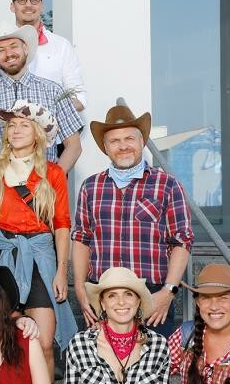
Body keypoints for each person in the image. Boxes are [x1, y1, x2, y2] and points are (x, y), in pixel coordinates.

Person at [74, 105, 192, 336]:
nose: (123, 145)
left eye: (129, 138)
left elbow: (182, 241)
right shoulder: (91, 187)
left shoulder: (167, 185)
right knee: (104, 369)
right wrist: (79, 287)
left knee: (152, 369)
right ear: (105, 147)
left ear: (141, 141)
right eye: (115, 141)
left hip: (152, 295)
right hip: (103, 294)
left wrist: (168, 292)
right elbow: (81, 239)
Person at [0, 100, 74, 368]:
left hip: (40, 258)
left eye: (24, 125)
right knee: (2, 341)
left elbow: (62, 225)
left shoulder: (53, 174)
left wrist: (62, 272)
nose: (16, 130)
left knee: (43, 344)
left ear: (38, 133)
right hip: (3, 256)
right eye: (11, 125)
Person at [0, 22, 85, 173]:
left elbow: (74, 145)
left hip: (44, 187)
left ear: (25, 48)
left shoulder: (53, 91)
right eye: (1, 50)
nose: (9, 53)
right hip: (1, 190)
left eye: (13, 46)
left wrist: (53, 180)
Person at [0, 0, 86, 113]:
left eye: (34, 0)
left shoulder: (62, 46)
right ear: (12, 6)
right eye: (21, 0)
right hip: (11, 131)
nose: (28, 5)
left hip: (55, 131)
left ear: (42, 6)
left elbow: (79, 97)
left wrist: (42, 116)